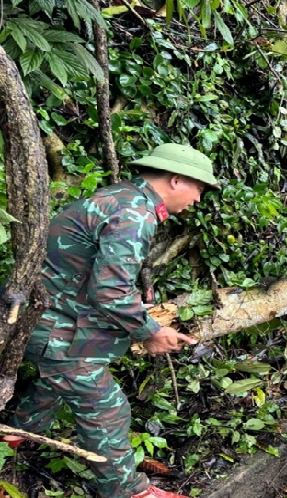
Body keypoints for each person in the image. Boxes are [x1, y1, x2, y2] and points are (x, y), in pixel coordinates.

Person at [1, 144, 219, 498]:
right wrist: (151, 332)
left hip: (39, 314)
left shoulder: (119, 198)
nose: (198, 199)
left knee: (60, 378)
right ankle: (129, 491)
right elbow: (110, 291)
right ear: (177, 180)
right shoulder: (135, 214)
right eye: (200, 189)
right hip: (50, 324)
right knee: (107, 409)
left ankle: (15, 434)